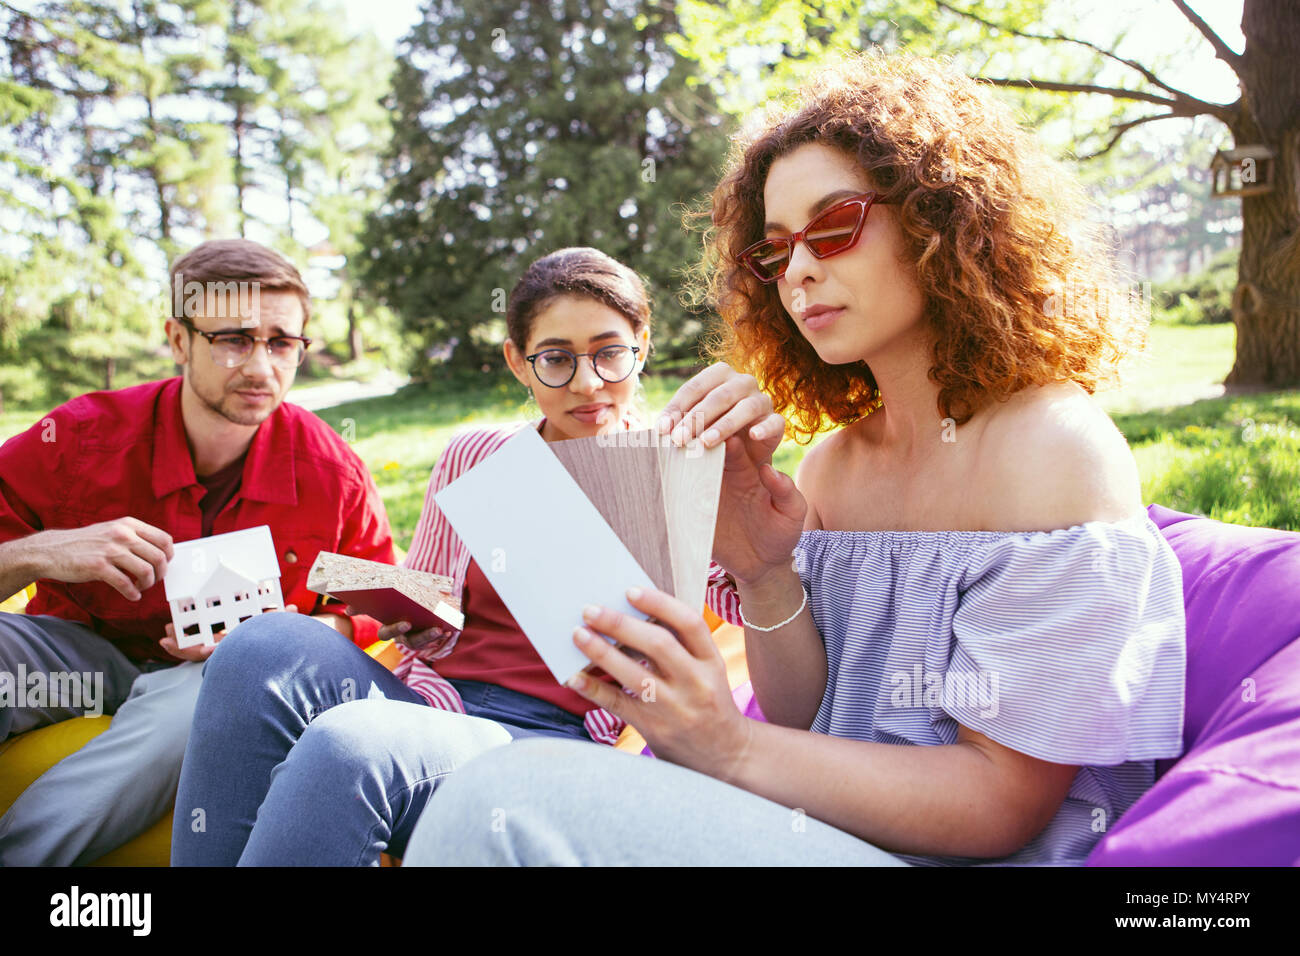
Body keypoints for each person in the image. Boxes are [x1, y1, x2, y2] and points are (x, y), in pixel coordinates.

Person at [399, 53, 1188, 867]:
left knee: (507, 796)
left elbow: (998, 806)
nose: (802, 270)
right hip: (821, 834)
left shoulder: (1052, 447)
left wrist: (723, 745)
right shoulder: (834, 468)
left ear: (942, 221)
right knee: (502, 788)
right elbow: (808, 718)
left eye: (836, 225)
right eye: (776, 252)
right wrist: (761, 570)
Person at [170, 246, 781, 865]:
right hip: (436, 705)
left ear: (641, 346)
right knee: (260, 646)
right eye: (556, 360)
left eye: (609, 353)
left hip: (546, 742)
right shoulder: (475, 456)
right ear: (519, 361)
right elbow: (437, 612)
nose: (587, 383)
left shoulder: (672, 473)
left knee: (352, 743)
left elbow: (747, 594)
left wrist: (745, 510)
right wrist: (410, 614)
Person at [0, 238, 394, 865]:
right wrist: (43, 552)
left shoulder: (332, 470)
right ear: (178, 340)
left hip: (212, 683)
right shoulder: (78, 438)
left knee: (200, 701)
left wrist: (288, 636)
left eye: (282, 342)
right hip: (78, 664)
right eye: (234, 339)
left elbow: (373, 599)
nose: (262, 368)